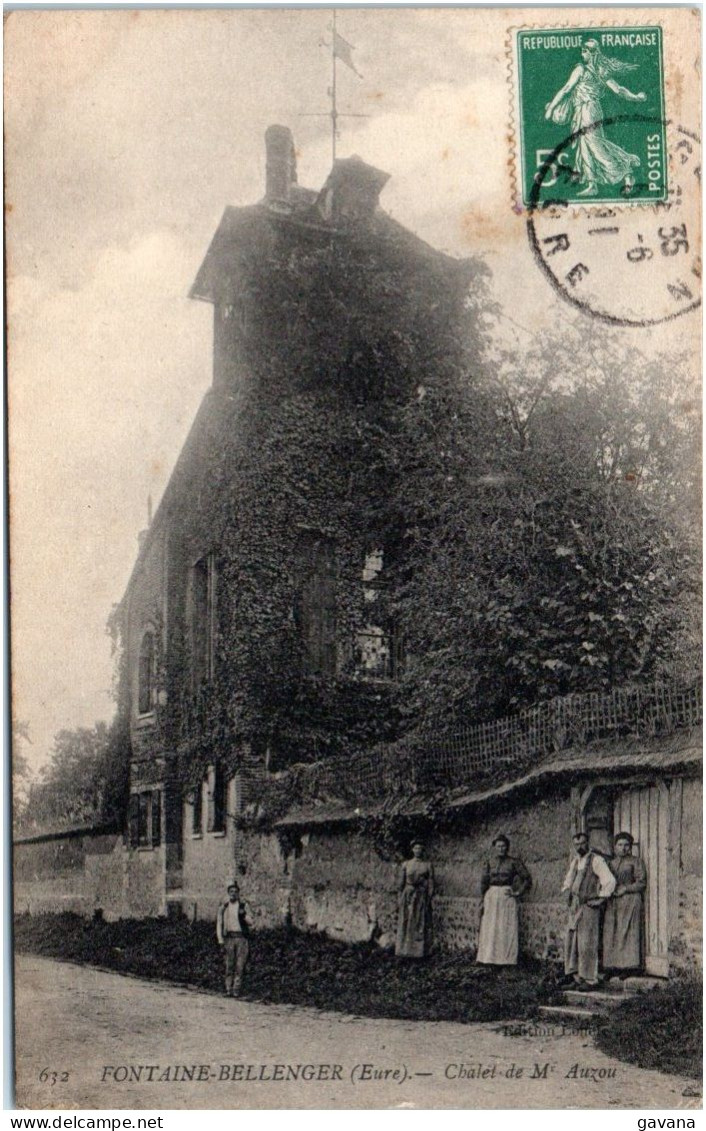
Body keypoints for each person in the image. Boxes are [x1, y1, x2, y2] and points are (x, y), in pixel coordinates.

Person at [543, 39, 647, 197]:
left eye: (584, 51)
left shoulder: (582, 69)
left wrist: (551, 108)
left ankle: (625, 169)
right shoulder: (599, 71)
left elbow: (566, 89)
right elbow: (619, 90)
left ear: (592, 53)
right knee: (586, 145)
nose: (582, 54)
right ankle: (593, 184)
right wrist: (636, 97)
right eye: (582, 51)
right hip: (584, 110)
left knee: (594, 144)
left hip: (589, 110)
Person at [562, 830, 616, 987]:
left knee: (587, 943)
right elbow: (568, 881)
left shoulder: (596, 860)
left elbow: (610, 881)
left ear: (588, 843)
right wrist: (567, 892)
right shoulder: (575, 862)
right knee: (572, 942)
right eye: (576, 844)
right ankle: (575, 978)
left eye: (582, 843)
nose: (579, 847)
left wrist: (601, 899)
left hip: (589, 907)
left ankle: (590, 979)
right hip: (575, 907)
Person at [476, 834, 531, 966]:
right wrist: (482, 900)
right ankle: (488, 958)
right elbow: (484, 882)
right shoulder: (489, 862)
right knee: (490, 927)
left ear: (507, 847)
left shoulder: (514, 862)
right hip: (491, 896)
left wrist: (517, 893)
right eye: (498, 846)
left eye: (503, 846)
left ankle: (507, 960)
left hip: (506, 897)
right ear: (494, 847)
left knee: (506, 927)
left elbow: (527, 879)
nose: (501, 849)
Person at [603, 832, 647, 975]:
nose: (623, 848)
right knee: (612, 932)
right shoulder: (611, 863)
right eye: (620, 845)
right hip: (614, 901)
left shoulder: (636, 862)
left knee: (627, 933)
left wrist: (626, 889)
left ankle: (629, 967)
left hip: (630, 901)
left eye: (626, 845)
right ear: (615, 847)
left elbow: (641, 882)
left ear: (630, 847)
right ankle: (613, 967)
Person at [395, 841, 434, 958]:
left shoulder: (427, 865)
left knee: (419, 922)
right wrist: (400, 898)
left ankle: (419, 952)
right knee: (407, 921)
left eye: (420, 848)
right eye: (416, 848)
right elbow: (400, 884)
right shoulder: (406, 864)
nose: (418, 850)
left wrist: (429, 897)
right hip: (408, 895)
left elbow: (431, 882)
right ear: (412, 850)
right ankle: (404, 950)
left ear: (423, 850)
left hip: (421, 895)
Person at [216, 880, 250, 996]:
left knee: (240, 965)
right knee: (229, 964)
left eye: (235, 892)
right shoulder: (224, 907)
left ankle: (236, 989)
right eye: (231, 891)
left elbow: (251, 922)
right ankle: (228, 989)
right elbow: (219, 924)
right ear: (228, 893)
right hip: (229, 938)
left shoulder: (243, 906)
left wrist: (244, 915)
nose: (233, 894)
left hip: (241, 938)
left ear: (238, 893)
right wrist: (220, 940)